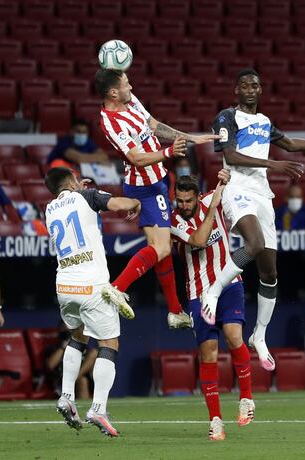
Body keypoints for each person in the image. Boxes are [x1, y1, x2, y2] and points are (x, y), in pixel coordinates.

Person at [204, 67, 305, 371]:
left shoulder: (265, 121)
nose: (250, 89)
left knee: (269, 273)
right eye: (244, 85)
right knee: (254, 244)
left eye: (255, 85)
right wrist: (273, 163)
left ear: (260, 90)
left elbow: (291, 144)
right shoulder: (226, 117)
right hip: (237, 188)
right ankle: (214, 290)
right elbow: (230, 156)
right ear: (236, 90)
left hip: (262, 195)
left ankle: (259, 335)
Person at [94, 69, 219, 329]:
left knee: (161, 251)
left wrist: (189, 138)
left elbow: (153, 125)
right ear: (113, 92)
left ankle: (175, 311)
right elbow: (136, 158)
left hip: (156, 181)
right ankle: (117, 287)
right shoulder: (110, 122)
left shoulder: (131, 101)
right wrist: (169, 151)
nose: (132, 86)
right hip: (146, 188)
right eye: (127, 84)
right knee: (162, 248)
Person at [45, 167, 141, 437]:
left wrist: (85, 192)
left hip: (64, 285)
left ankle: (66, 396)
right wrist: (135, 202)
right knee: (110, 343)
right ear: (73, 181)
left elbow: (77, 209)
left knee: (78, 337)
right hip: (92, 286)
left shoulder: (50, 209)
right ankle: (98, 407)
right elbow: (119, 204)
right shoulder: (86, 197)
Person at [171, 173, 254, 441]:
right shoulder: (172, 221)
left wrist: (225, 176)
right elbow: (198, 240)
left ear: (197, 196)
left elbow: (232, 178)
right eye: (179, 199)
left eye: (187, 200)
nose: (183, 205)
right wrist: (210, 210)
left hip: (229, 284)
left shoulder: (212, 199)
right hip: (198, 294)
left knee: (234, 336)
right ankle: (215, 420)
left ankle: (246, 398)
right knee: (209, 354)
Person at [45, 321, 98, 399]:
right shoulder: (53, 348)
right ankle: (74, 379)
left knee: (94, 353)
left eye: (70, 330)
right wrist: (63, 347)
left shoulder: (81, 347)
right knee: (82, 381)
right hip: (62, 379)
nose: (67, 332)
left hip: (81, 376)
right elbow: (50, 366)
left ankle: (75, 378)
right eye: (64, 329)